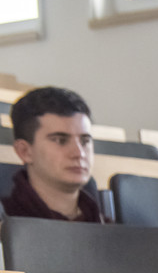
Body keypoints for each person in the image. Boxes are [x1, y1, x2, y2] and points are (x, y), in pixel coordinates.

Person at [0, 86, 106, 223]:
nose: (79, 153)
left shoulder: (109, 229)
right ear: (24, 152)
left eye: (85, 141)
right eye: (60, 140)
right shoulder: (5, 226)